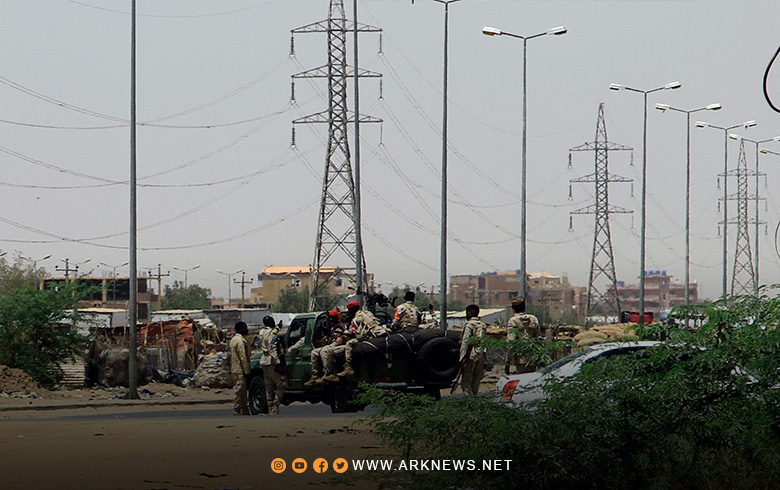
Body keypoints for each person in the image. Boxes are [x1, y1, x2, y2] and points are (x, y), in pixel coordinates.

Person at [334, 300, 387, 378]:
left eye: (349, 310)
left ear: (353, 310)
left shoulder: (357, 318)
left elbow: (352, 333)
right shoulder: (367, 313)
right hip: (377, 335)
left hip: (368, 338)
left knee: (349, 343)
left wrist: (341, 330)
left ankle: (348, 367)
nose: (349, 312)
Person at [304, 309, 343, 386]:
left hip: (339, 343)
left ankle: (328, 374)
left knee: (324, 351)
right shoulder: (331, 327)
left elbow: (340, 338)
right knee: (314, 352)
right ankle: (315, 376)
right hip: (332, 343)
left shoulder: (340, 325)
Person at [258, 315, 286, 415]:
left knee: (268, 386)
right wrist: (277, 362)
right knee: (280, 384)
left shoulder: (262, 332)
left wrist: (278, 327)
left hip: (264, 361)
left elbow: (271, 332)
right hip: (271, 361)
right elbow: (272, 347)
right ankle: (275, 405)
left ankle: (270, 407)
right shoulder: (272, 333)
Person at [505, 297, 541, 374]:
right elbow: (539, 338)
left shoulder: (513, 321)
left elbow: (511, 343)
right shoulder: (533, 319)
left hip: (521, 358)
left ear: (513, 308)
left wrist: (508, 361)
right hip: (533, 357)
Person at [459, 304, 488, 396]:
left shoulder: (469, 325)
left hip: (470, 356)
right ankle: (474, 399)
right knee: (476, 381)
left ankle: (470, 401)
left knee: (465, 382)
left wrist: (462, 358)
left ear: (470, 313)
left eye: (467, 313)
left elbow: (465, 343)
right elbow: (485, 343)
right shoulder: (482, 325)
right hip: (481, 356)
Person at [229, 321, 251, 415]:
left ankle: (245, 411)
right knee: (239, 391)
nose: (247, 329)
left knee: (242, 392)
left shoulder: (233, 339)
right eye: (245, 327)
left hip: (234, 369)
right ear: (241, 329)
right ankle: (236, 410)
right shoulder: (240, 341)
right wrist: (247, 371)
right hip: (240, 370)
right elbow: (243, 357)